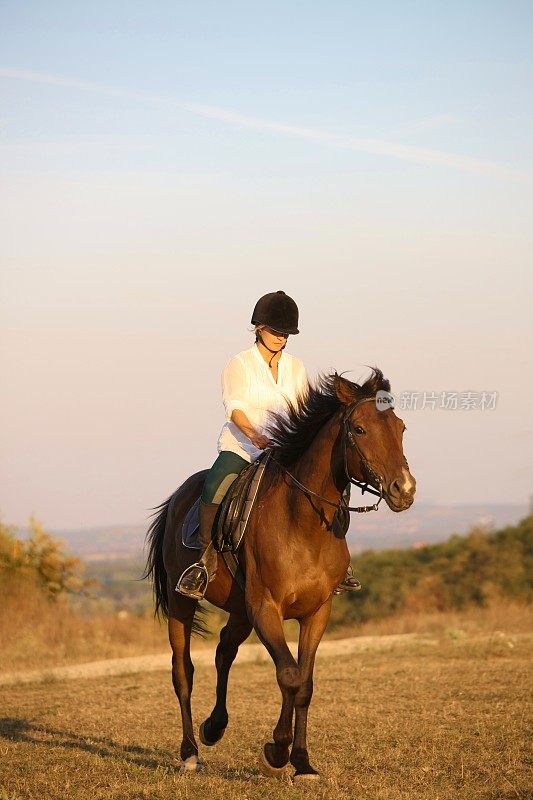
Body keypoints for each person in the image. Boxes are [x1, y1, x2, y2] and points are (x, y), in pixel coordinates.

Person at [176, 290, 361, 599]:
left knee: (336, 487)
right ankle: (204, 562)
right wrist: (253, 435)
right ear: (259, 327)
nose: (281, 337)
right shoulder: (239, 364)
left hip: (285, 449)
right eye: (275, 331)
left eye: (286, 333)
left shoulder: (296, 368)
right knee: (213, 486)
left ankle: (340, 563)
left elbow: (302, 411)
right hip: (244, 446)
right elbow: (234, 408)